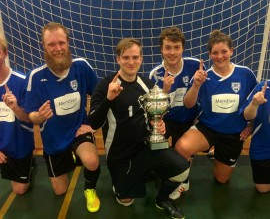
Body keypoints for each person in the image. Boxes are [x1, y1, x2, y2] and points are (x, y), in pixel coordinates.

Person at [88, 38, 189, 219]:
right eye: (126, 57)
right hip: (120, 155)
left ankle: (162, 199)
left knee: (183, 168)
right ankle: (124, 181)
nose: (131, 62)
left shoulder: (147, 85)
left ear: (141, 59)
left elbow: (153, 114)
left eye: (135, 57)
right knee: (126, 201)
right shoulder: (105, 85)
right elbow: (94, 123)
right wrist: (109, 99)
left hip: (146, 147)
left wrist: (158, 123)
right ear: (118, 59)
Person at [24, 22, 101, 213]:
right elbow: (30, 115)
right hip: (54, 141)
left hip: (78, 132)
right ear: (44, 46)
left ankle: (90, 189)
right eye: (51, 44)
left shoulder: (81, 67)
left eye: (61, 43)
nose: (57, 49)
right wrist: (39, 116)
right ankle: (69, 158)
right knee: (60, 191)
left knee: (92, 161)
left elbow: (100, 98)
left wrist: (93, 126)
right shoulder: (36, 76)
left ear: (68, 42)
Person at [175, 30, 257, 184]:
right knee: (182, 147)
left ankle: (218, 153)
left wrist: (251, 125)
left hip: (233, 135)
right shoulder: (203, 76)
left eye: (224, 51)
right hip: (208, 129)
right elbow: (188, 104)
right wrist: (196, 85)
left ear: (231, 51)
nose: (220, 56)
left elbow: (256, 101)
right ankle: (182, 182)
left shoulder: (246, 74)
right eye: (215, 53)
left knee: (221, 179)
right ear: (210, 54)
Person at [149, 26, 204, 199]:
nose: (172, 52)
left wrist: (196, 83)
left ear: (183, 48)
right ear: (161, 49)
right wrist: (165, 90)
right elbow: (156, 110)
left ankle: (184, 176)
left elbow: (190, 104)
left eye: (176, 47)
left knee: (185, 150)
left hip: (188, 117)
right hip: (166, 119)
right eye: (168, 47)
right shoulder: (155, 74)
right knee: (159, 149)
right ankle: (164, 172)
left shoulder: (195, 66)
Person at [0, 35, 35, 194]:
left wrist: (15, 107)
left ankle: (30, 163)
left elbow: (30, 119)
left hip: (17, 148)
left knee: (20, 190)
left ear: (5, 53)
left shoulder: (22, 81)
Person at [241, 81, 270, 193]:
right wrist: (254, 104)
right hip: (263, 148)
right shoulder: (263, 88)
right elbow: (247, 116)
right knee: (262, 189)